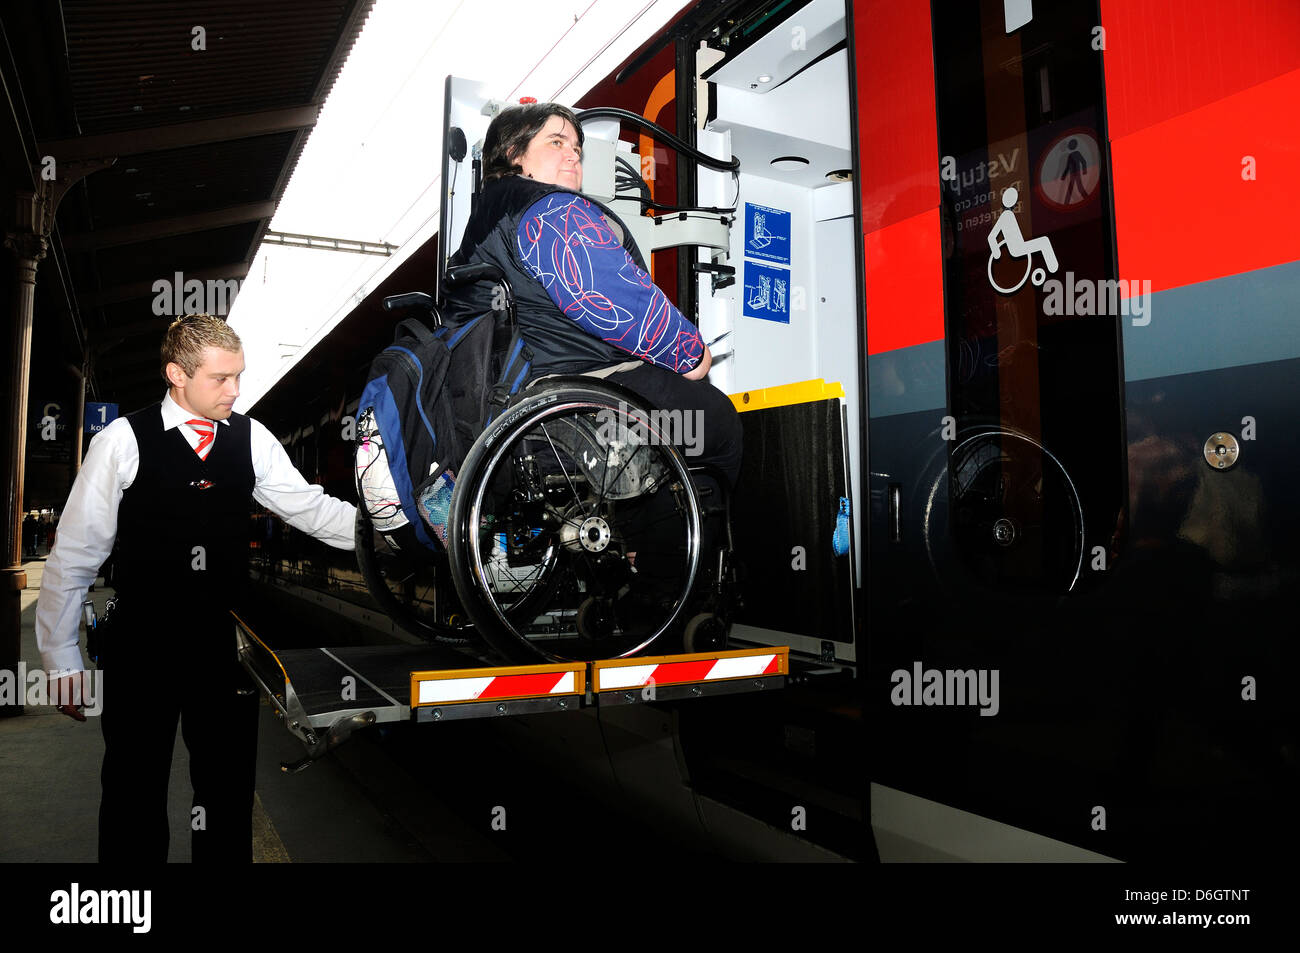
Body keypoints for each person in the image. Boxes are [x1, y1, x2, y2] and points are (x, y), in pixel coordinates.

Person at [35, 314, 357, 863]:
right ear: (176, 375)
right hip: (141, 645)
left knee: (227, 793)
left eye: (239, 376)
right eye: (221, 379)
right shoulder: (121, 441)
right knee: (133, 792)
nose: (235, 390)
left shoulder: (251, 438)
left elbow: (308, 507)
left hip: (225, 648)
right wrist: (61, 660)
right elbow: (75, 553)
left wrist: (389, 535)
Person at [443, 101, 741, 487]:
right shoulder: (551, 210)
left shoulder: (481, 227)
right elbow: (618, 304)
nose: (572, 153)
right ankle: (682, 545)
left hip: (513, 410)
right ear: (515, 154)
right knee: (715, 422)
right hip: (579, 397)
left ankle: (639, 541)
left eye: (577, 149)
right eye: (556, 141)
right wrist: (692, 355)